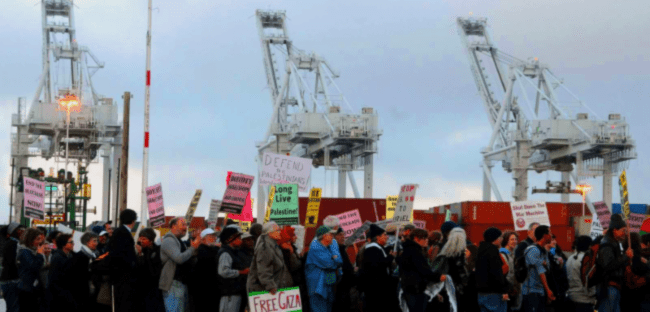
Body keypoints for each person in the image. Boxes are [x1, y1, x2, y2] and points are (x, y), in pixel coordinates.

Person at [399, 228, 445, 312]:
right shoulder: (415, 252)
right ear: (416, 238)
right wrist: (439, 277)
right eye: (425, 238)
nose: (427, 240)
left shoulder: (408, 249)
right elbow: (424, 271)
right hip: (416, 290)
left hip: (409, 288)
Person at [160, 217, 200, 312]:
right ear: (173, 226)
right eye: (183, 225)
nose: (186, 228)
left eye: (186, 225)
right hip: (173, 285)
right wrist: (193, 248)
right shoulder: (169, 240)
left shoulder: (179, 241)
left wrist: (193, 249)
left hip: (181, 284)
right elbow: (179, 258)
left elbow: (187, 257)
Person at [360, 224, 399, 312]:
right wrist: (390, 257)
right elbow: (378, 265)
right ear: (378, 237)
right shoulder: (372, 249)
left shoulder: (377, 248)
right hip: (376, 288)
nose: (387, 237)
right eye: (384, 235)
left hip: (377, 287)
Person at [596, 214, 632, 312]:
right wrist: (625, 257)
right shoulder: (607, 244)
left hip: (613, 287)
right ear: (615, 230)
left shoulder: (613, 243)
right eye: (623, 231)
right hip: (608, 287)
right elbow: (608, 266)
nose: (625, 234)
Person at [247, 221, 294, 294]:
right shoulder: (265, 247)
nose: (280, 232)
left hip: (270, 289)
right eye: (277, 230)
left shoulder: (273, 245)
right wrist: (270, 286)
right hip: (263, 291)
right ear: (270, 233)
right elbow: (264, 268)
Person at [304, 226, 343, 312]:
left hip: (327, 285)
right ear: (324, 236)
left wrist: (335, 259)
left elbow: (339, 261)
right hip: (317, 287)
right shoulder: (316, 247)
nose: (333, 236)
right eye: (331, 234)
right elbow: (329, 264)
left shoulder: (329, 246)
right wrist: (335, 259)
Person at [107, 209, 138, 311]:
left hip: (119, 277)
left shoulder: (119, 232)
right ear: (133, 221)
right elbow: (124, 256)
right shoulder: (124, 234)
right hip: (123, 278)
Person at [69, 232, 108, 311]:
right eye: (94, 241)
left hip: (93, 291)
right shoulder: (80, 256)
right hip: (83, 293)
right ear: (87, 242)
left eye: (97, 241)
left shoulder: (96, 255)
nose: (96, 243)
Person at [521, 225, 555, 312]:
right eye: (550, 233)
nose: (551, 235)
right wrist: (548, 290)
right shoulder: (533, 250)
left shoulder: (544, 251)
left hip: (540, 291)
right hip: (531, 292)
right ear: (545, 235)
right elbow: (541, 271)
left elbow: (547, 268)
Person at [436, 227, 470, 311]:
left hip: (444, 287)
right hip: (457, 289)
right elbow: (461, 274)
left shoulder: (443, 253)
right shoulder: (460, 255)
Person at [476, 227, 509, 312]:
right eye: (500, 237)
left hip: (481, 293)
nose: (502, 239)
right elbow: (496, 273)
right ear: (495, 238)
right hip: (494, 294)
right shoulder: (493, 251)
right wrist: (504, 290)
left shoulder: (480, 250)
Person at [217, 227, 249, 312]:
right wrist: (241, 272)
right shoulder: (225, 253)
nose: (240, 240)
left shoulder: (233, 252)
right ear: (229, 239)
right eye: (238, 238)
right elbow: (223, 271)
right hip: (229, 294)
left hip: (235, 292)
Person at [16, 228, 46, 312]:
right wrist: (40, 255)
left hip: (32, 289)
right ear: (30, 239)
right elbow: (34, 266)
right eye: (38, 239)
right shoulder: (25, 252)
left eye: (41, 239)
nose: (40, 241)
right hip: (26, 290)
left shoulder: (31, 251)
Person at [135, 228, 165, 312]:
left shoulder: (157, 251)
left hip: (153, 289)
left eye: (144, 239)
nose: (141, 241)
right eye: (140, 238)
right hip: (142, 290)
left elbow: (150, 270)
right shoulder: (141, 250)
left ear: (151, 240)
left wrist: (141, 255)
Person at [191, 228, 220, 312]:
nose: (215, 238)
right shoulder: (201, 251)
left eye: (215, 236)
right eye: (212, 236)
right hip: (203, 292)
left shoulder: (214, 249)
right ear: (203, 239)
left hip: (212, 290)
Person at [46, 233, 75, 311]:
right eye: (70, 242)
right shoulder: (58, 257)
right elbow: (54, 279)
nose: (73, 244)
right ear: (64, 245)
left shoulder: (68, 255)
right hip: (58, 296)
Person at [566, 236, 596, 312]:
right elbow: (589, 280)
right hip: (584, 300)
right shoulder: (586, 260)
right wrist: (594, 294)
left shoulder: (570, 258)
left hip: (571, 297)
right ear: (589, 246)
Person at [1, 222, 25, 312]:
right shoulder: (13, 244)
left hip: (9, 280)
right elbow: (14, 263)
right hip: (12, 281)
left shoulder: (12, 243)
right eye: (22, 231)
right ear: (18, 232)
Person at [333, 227, 356, 312]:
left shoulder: (342, 248)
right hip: (339, 290)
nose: (343, 237)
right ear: (334, 236)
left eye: (343, 235)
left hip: (346, 288)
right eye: (340, 235)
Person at [499, 231, 519, 311]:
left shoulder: (513, 254)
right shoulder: (503, 254)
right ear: (506, 241)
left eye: (515, 239)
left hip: (512, 289)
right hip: (507, 290)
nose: (514, 241)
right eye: (512, 239)